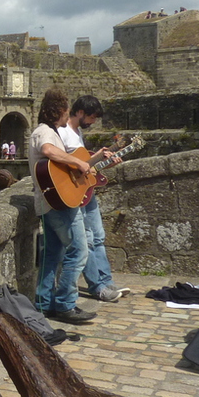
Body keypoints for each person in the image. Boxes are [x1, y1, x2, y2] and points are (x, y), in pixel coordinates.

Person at [28, 89, 96, 324]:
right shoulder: (44, 132)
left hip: (51, 202)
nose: (68, 119)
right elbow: (48, 151)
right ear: (59, 112)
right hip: (58, 205)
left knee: (52, 255)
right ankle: (66, 304)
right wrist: (77, 161)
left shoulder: (51, 132)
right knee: (79, 251)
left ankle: (44, 303)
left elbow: (55, 164)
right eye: (66, 113)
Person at [57, 95, 130, 303]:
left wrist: (105, 163)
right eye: (92, 117)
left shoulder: (77, 132)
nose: (93, 122)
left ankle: (106, 281)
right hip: (74, 193)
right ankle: (97, 287)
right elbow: (65, 167)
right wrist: (96, 156)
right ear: (80, 112)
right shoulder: (62, 133)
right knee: (86, 241)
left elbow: (86, 166)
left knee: (98, 236)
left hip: (87, 190)